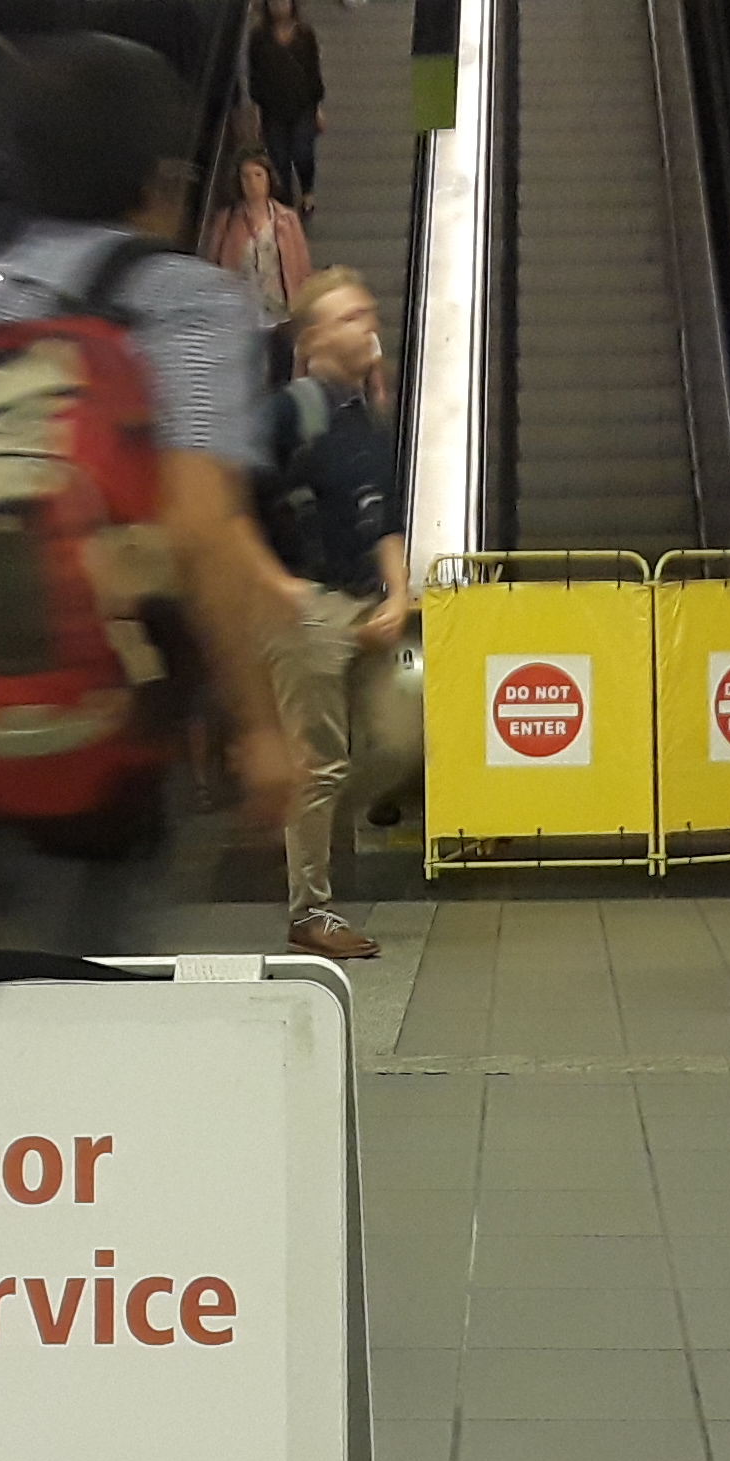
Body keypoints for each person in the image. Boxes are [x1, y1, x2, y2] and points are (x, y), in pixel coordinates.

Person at [0, 32, 297, 953]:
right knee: (105, 1006)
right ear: (154, 171)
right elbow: (202, 527)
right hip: (115, 734)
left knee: (1, 998)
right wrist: (259, 727)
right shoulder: (186, 302)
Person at [265, 267, 409, 962]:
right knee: (320, 763)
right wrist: (273, 584)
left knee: (398, 743)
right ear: (316, 337)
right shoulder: (286, 412)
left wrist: (400, 593)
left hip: (364, 603)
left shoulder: (365, 416)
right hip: (306, 605)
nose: (369, 323)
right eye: (352, 316)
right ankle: (310, 909)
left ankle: (306, 836)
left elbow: (386, 520)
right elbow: (229, 504)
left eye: (368, 312)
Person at [201, 149, 313, 330]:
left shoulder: (287, 218)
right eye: (246, 177)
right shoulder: (227, 220)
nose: (253, 183)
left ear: (269, 178)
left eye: (258, 175)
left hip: (282, 313)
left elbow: (302, 266)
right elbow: (212, 265)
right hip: (241, 315)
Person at [248, 0, 325, 215]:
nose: (279, 6)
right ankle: (286, 202)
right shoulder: (258, 38)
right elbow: (255, 76)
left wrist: (318, 108)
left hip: (303, 105)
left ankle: (307, 191)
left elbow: (313, 70)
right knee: (279, 158)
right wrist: (257, 115)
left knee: (303, 151)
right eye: (274, 2)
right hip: (272, 110)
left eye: (283, 1)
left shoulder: (304, 33)